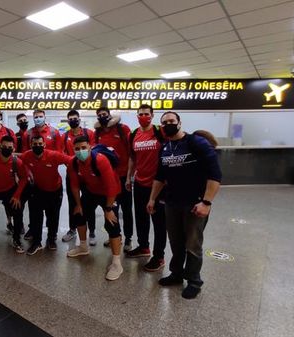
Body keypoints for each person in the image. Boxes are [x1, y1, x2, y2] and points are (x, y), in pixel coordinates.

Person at [147, 111, 222, 299]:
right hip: (172, 203)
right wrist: (152, 199)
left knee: (193, 244)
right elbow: (160, 177)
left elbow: (215, 175)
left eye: (171, 121)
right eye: (164, 123)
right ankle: (177, 274)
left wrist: (206, 202)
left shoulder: (196, 143)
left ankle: (194, 281)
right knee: (176, 243)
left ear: (180, 122)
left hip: (194, 204)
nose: (168, 124)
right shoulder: (165, 147)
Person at [67, 136, 124, 280]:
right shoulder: (73, 163)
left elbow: (111, 187)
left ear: (90, 147)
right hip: (91, 192)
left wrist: (108, 209)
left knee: (111, 223)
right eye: (77, 149)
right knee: (78, 215)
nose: (81, 151)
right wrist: (78, 205)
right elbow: (74, 185)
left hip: (109, 194)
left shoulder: (100, 160)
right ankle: (83, 247)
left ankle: (117, 263)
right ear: (74, 150)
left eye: (84, 148)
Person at [125, 104, 167, 272]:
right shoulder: (133, 134)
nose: (143, 116)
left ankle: (159, 256)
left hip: (159, 185)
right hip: (140, 183)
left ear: (152, 115)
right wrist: (129, 177)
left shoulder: (160, 132)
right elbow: (132, 158)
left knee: (159, 222)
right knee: (141, 218)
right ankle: (144, 247)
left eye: (146, 114)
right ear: (137, 116)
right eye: (140, 114)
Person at [21, 135, 71, 254]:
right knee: (35, 216)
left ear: (44, 145)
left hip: (55, 190)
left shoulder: (53, 155)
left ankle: (51, 238)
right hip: (37, 190)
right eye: (34, 144)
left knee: (53, 216)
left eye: (39, 144)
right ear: (31, 145)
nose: (37, 146)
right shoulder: (27, 155)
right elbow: (18, 159)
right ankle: (37, 242)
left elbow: (70, 160)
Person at [95, 107, 133, 249]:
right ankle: (115, 236)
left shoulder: (122, 129)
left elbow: (131, 154)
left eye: (104, 114)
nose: (102, 116)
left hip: (124, 177)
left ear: (110, 115)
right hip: (109, 179)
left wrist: (130, 176)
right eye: (99, 115)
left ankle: (128, 238)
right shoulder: (97, 132)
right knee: (111, 209)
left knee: (127, 210)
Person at [61, 110, 96, 243]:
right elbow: (61, 153)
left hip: (87, 175)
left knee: (90, 202)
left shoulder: (89, 133)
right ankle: (72, 229)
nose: (73, 121)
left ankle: (92, 232)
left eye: (75, 118)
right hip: (72, 173)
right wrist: (72, 161)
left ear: (79, 119)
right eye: (70, 119)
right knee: (73, 203)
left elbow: (93, 149)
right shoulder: (64, 136)